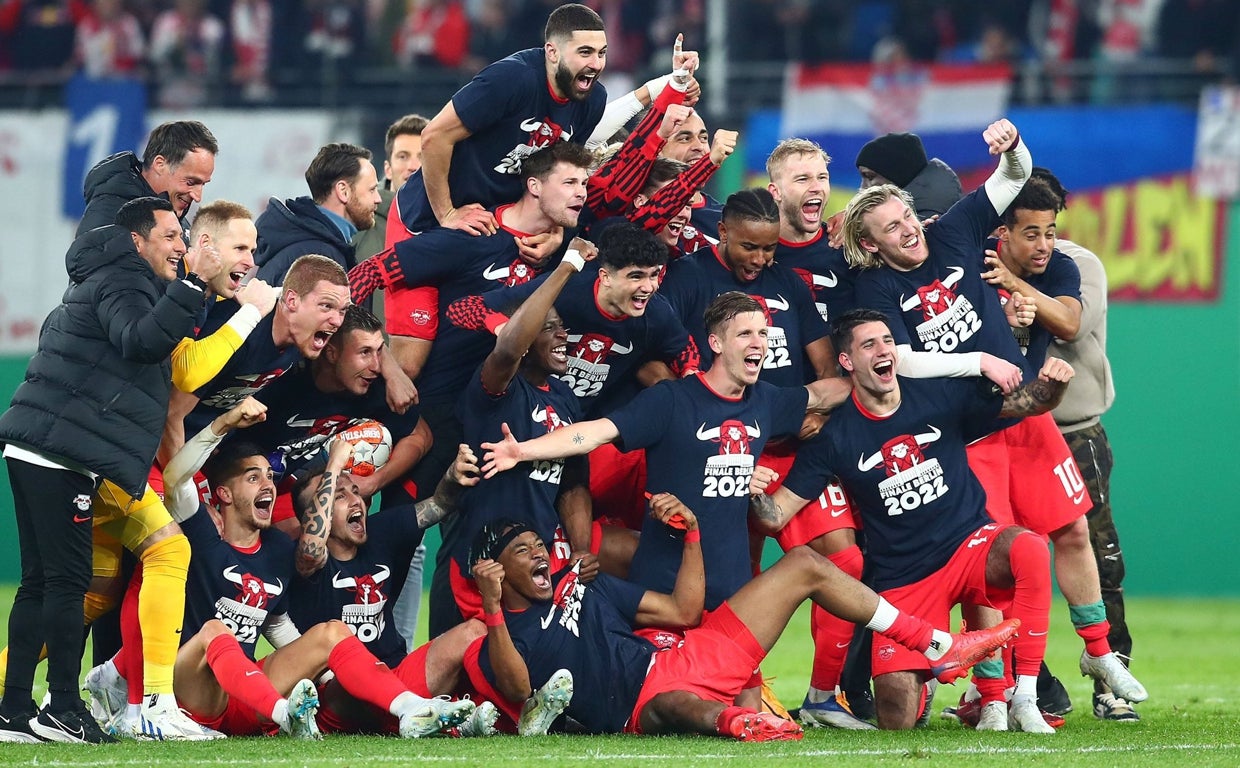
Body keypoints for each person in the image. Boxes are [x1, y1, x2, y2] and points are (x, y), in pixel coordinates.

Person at [843, 120, 1147, 719]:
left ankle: (1096, 649)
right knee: (992, 570)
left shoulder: (954, 229)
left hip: (1027, 415)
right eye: (892, 230)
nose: (909, 232)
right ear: (872, 245)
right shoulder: (877, 287)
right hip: (969, 430)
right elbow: (898, 358)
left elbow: (1012, 178)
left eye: (906, 218)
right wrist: (977, 358)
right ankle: (998, 696)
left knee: (1075, 531)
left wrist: (1014, 148)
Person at [751, 309, 1070, 732]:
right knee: (896, 718)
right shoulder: (834, 436)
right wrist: (751, 488)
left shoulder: (939, 394)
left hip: (969, 546)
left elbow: (1026, 403)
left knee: (1028, 546)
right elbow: (778, 516)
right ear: (847, 362)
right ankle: (944, 660)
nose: (884, 351)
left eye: (887, 341)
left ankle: (1024, 697)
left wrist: (1052, 390)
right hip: (905, 579)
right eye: (870, 345)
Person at [95, 397, 478, 739]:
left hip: (243, 691)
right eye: (252, 477)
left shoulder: (279, 548)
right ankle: (283, 715)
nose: (267, 484)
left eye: (269, 476)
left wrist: (319, 666)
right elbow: (177, 474)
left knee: (330, 633)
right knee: (215, 631)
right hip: (192, 690)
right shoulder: (199, 529)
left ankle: (411, 710)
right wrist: (223, 424)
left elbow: (280, 627)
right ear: (224, 495)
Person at [467, 511, 1020, 740]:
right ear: (495, 570)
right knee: (674, 708)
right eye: (524, 551)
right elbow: (519, 690)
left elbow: (684, 613)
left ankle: (938, 643)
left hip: (685, 655)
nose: (541, 555)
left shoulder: (584, 584)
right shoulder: (497, 635)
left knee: (805, 564)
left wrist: (692, 536)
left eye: (541, 545)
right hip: (642, 701)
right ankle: (742, 723)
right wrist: (492, 606)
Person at [0, 197, 216, 743]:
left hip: (41, 449)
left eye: (182, 237)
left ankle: (14, 708)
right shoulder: (122, 278)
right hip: (62, 455)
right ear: (136, 241)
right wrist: (192, 287)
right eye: (169, 236)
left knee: (41, 584)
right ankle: (63, 707)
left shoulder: (108, 278)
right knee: (68, 585)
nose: (180, 246)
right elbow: (140, 341)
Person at [392, 2, 608, 237]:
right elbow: (434, 136)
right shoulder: (511, 80)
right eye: (585, 52)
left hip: (495, 225)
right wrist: (447, 214)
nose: (596, 64)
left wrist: (553, 232)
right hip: (425, 220)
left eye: (602, 53)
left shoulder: (593, 99)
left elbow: (563, 174)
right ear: (552, 52)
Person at [235, 304, 430, 516]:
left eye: (379, 352)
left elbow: (421, 436)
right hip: (246, 485)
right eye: (365, 352)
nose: (376, 366)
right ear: (331, 353)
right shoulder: (284, 376)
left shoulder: (374, 387)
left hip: (307, 493)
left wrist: (373, 483)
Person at [255, 143, 382, 282]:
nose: (378, 199)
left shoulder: (310, 243)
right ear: (343, 191)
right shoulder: (319, 257)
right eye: (372, 190)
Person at [78, 120, 218, 235]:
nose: (197, 197)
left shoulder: (174, 215)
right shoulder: (110, 217)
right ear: (160, 164)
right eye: (191, 182)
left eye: (203, 184)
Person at [358, 113, 429, 263]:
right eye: (403, 156)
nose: (413, 167)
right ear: (387, 169)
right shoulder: (358, 224)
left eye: (423, 157)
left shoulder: (453, 222)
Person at [855, 131, 963, 219]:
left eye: (869, 177)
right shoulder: (920, 212)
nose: (862, 188)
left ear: (897, 174)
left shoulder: (922, 224)